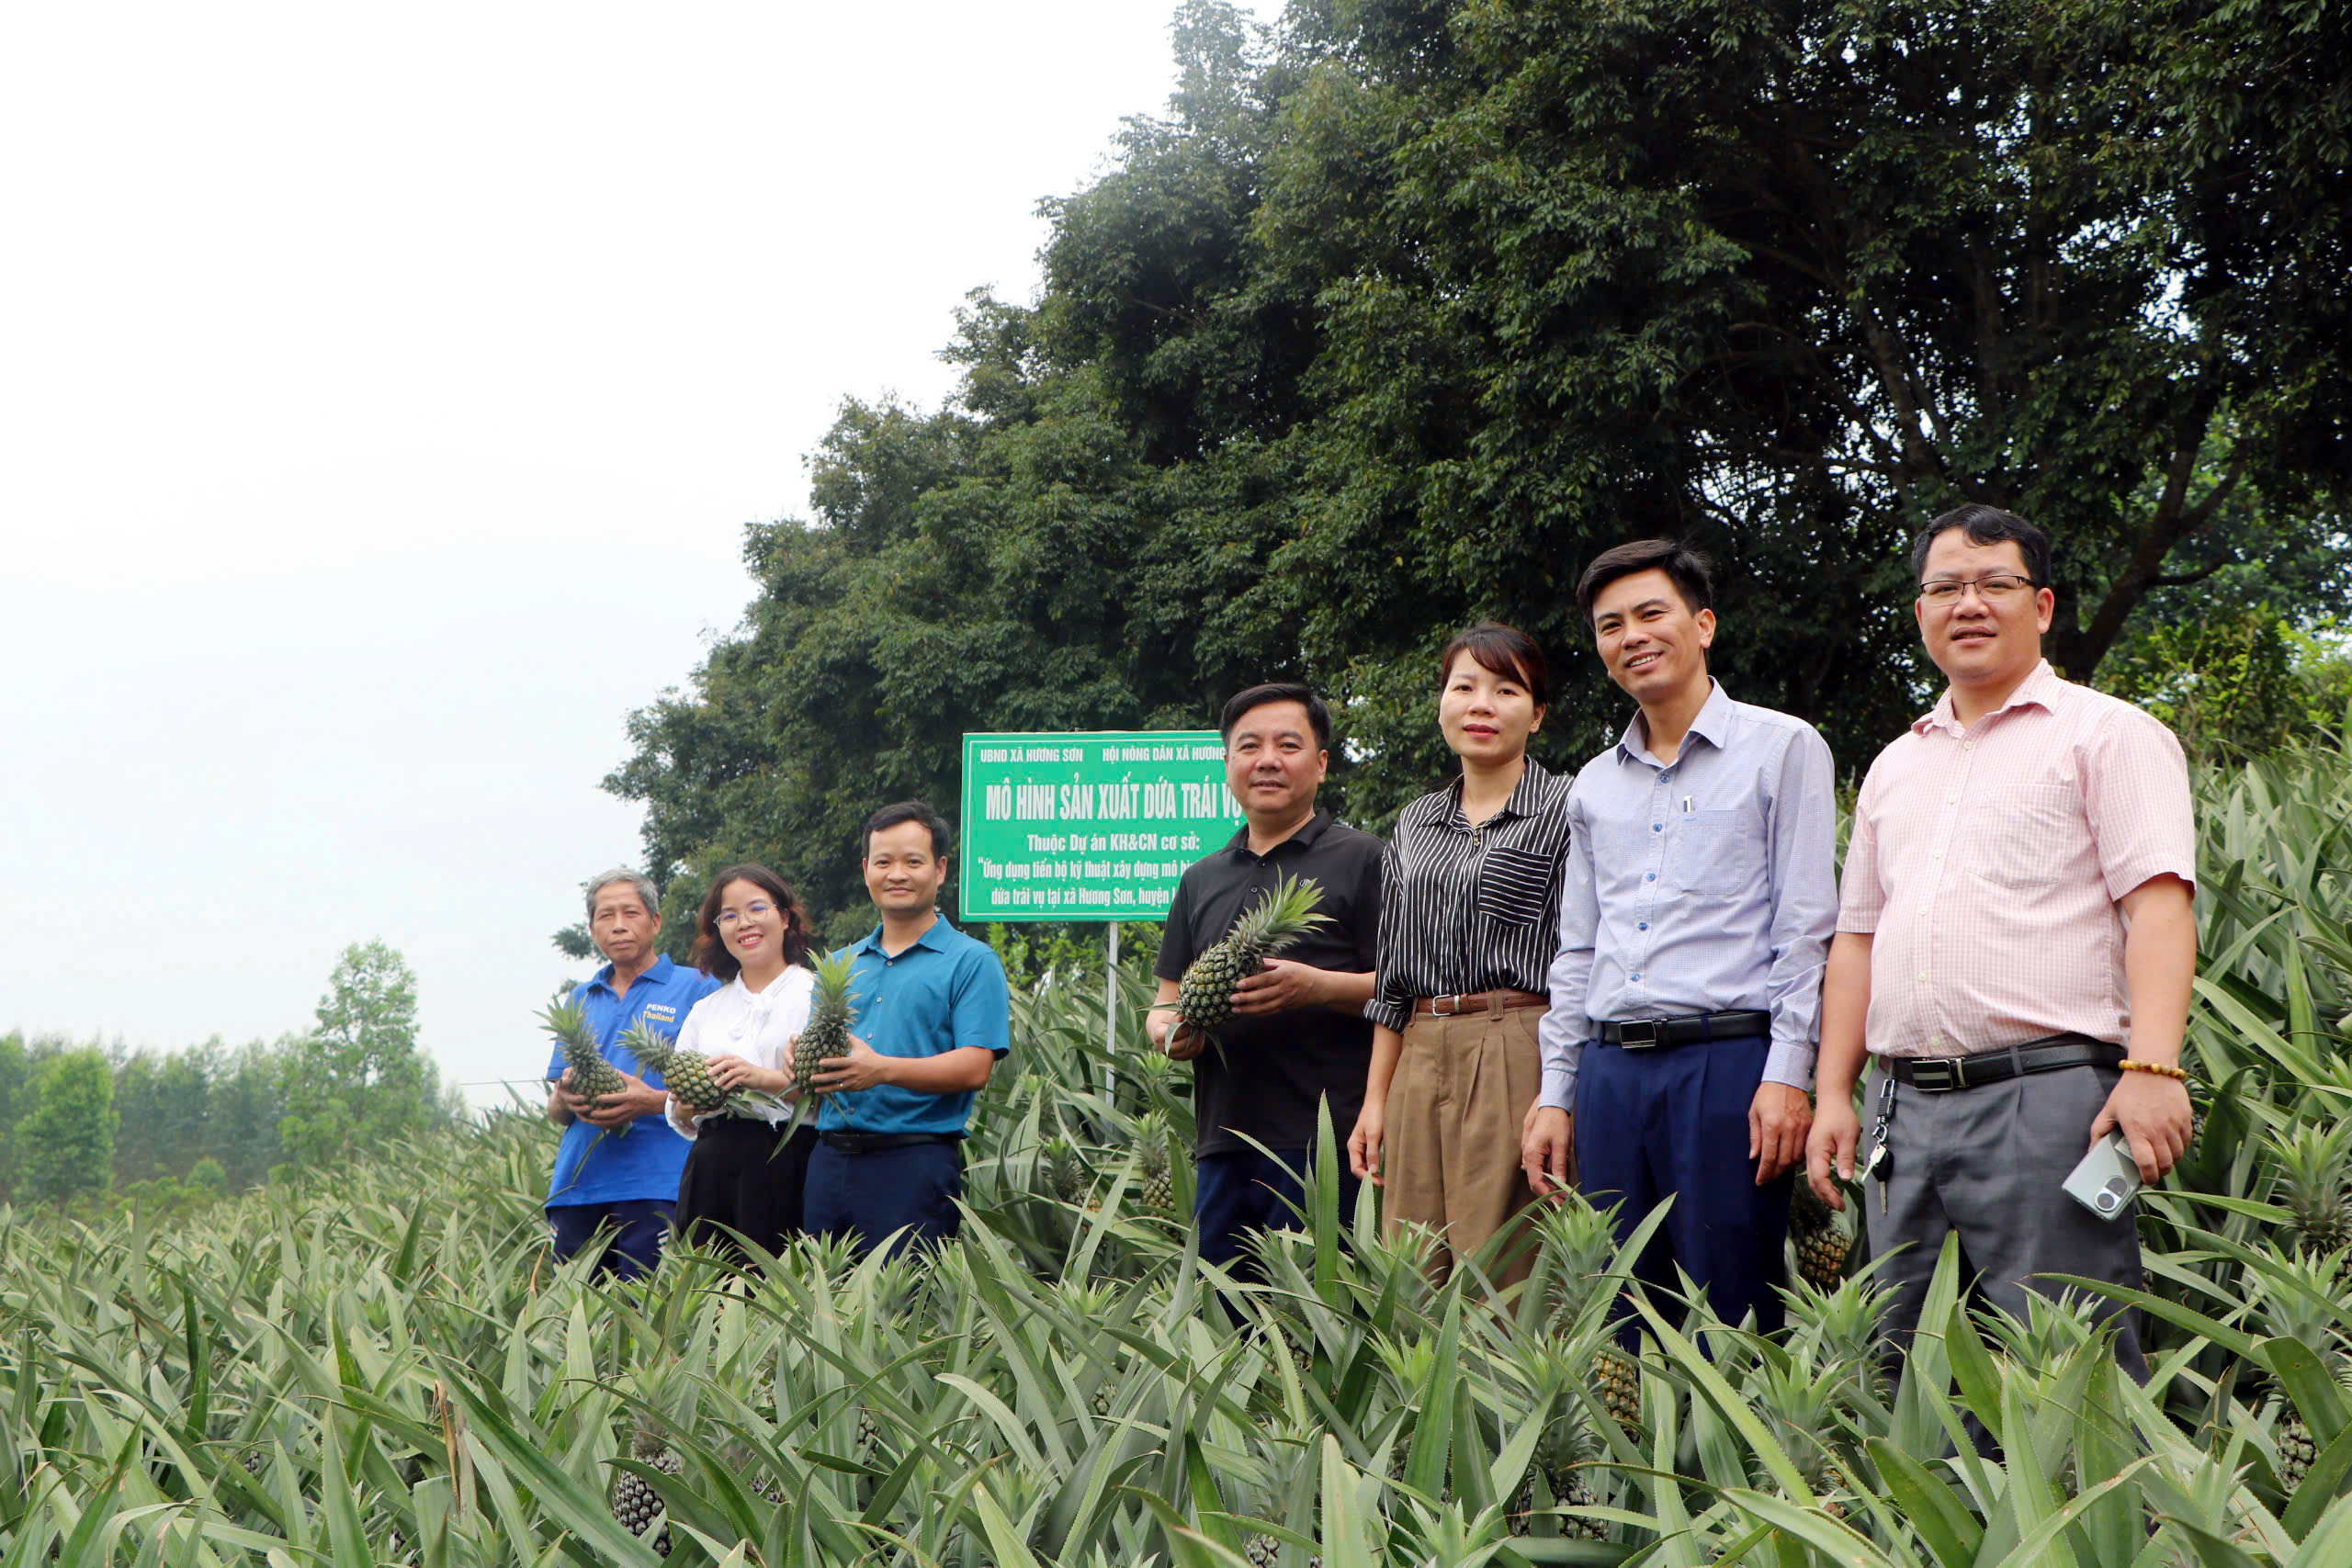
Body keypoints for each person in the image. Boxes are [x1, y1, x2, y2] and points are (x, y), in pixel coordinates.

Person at [1805, 504, 2197, 1380]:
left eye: (1995, 584)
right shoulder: (1896, 765)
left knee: (2071, 1368)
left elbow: (2162, 909)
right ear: (1920, 614)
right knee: (1908, 1371)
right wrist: (1835, 1091)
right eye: (1945, 587)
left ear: (2044, 605)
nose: (1968, 603)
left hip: (2049, 1095)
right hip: (1901, 1110)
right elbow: (1858, 940)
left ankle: (2104, 1521)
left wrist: (2156, 1068)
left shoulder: (2109, 734)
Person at [1521, 540, 1837, 1338]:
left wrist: (1788, 1073)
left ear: (1703, 625)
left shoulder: (1783, 747)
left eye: (1651, 614)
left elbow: (1805, 928)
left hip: (1728, 1063)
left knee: (1735, 1307)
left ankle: (1742, 1468)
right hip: (1611, 1073)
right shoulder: (1593, 783)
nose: (1632, 636)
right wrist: (1558, 1089)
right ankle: (1633, 1467)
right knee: (1623, 1313)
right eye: (1610, 625)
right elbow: (1577, 948)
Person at [1348, 623, 1575, 1286]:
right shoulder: (1415, 820)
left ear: (1536, 714)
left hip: (1518, 1044)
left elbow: (1586, 956)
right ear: (1441, 701)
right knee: (1411, 1269)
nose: (1481, 704)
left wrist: (1560, 1086)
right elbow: (1393, 975)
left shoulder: (1567, 807)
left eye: (1506, 690)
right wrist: (1374, 1100)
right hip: (1418, 1049)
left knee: (1506, 1272)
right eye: (1464, 686)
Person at [1147, 682, 1384, 1277]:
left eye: (1288, 744)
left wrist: (1319, 985)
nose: (1268, 759)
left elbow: (1405, 988)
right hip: (1222, 1138)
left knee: (1321, 1320)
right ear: (1227, 762)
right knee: (1224, 1319)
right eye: (1248, 745)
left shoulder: (1365, 858)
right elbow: (1164, 1002)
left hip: (1326, 1142)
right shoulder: (1201, 878)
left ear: (1322, 763)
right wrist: (1171, 1031)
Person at [793, 801, 1012, 1259]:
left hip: (913, 1163)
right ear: (866, 869)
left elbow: (975, 1067)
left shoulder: (972, 961)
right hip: (828, 1160)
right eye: (884, 862)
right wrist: (801, 1064)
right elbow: (821, 1076)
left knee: (906, 1316)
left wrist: (882, 1070)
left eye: (913, 861)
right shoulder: (838, 965)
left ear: (941, 869)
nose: (897, 874)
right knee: (822, 1311)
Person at [544, 869, 718, 1280]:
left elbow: (720, 1094)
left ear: (655, 921)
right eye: (605, 916)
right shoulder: (579, 999)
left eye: (630, 913)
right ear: (592, 929)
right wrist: (565, 1099)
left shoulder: (699, 989)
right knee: (577, 1324)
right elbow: (556, 1110)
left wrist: (651, 1102)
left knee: (650, 1321)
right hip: (577, 1187)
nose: (618, 926)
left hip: (659, 1184)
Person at [665, 863, 820, 1266]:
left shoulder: (815, 995)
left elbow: (838, 1092)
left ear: (785, 917)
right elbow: (678, 1106)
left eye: (756, 909)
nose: (744, 924)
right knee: (708, 1297)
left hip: (787, 1158)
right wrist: (690, 1101)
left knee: (782, 1292)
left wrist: (763, 1080)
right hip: (710, 1164)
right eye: (729, 916)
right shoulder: (706, 1009)